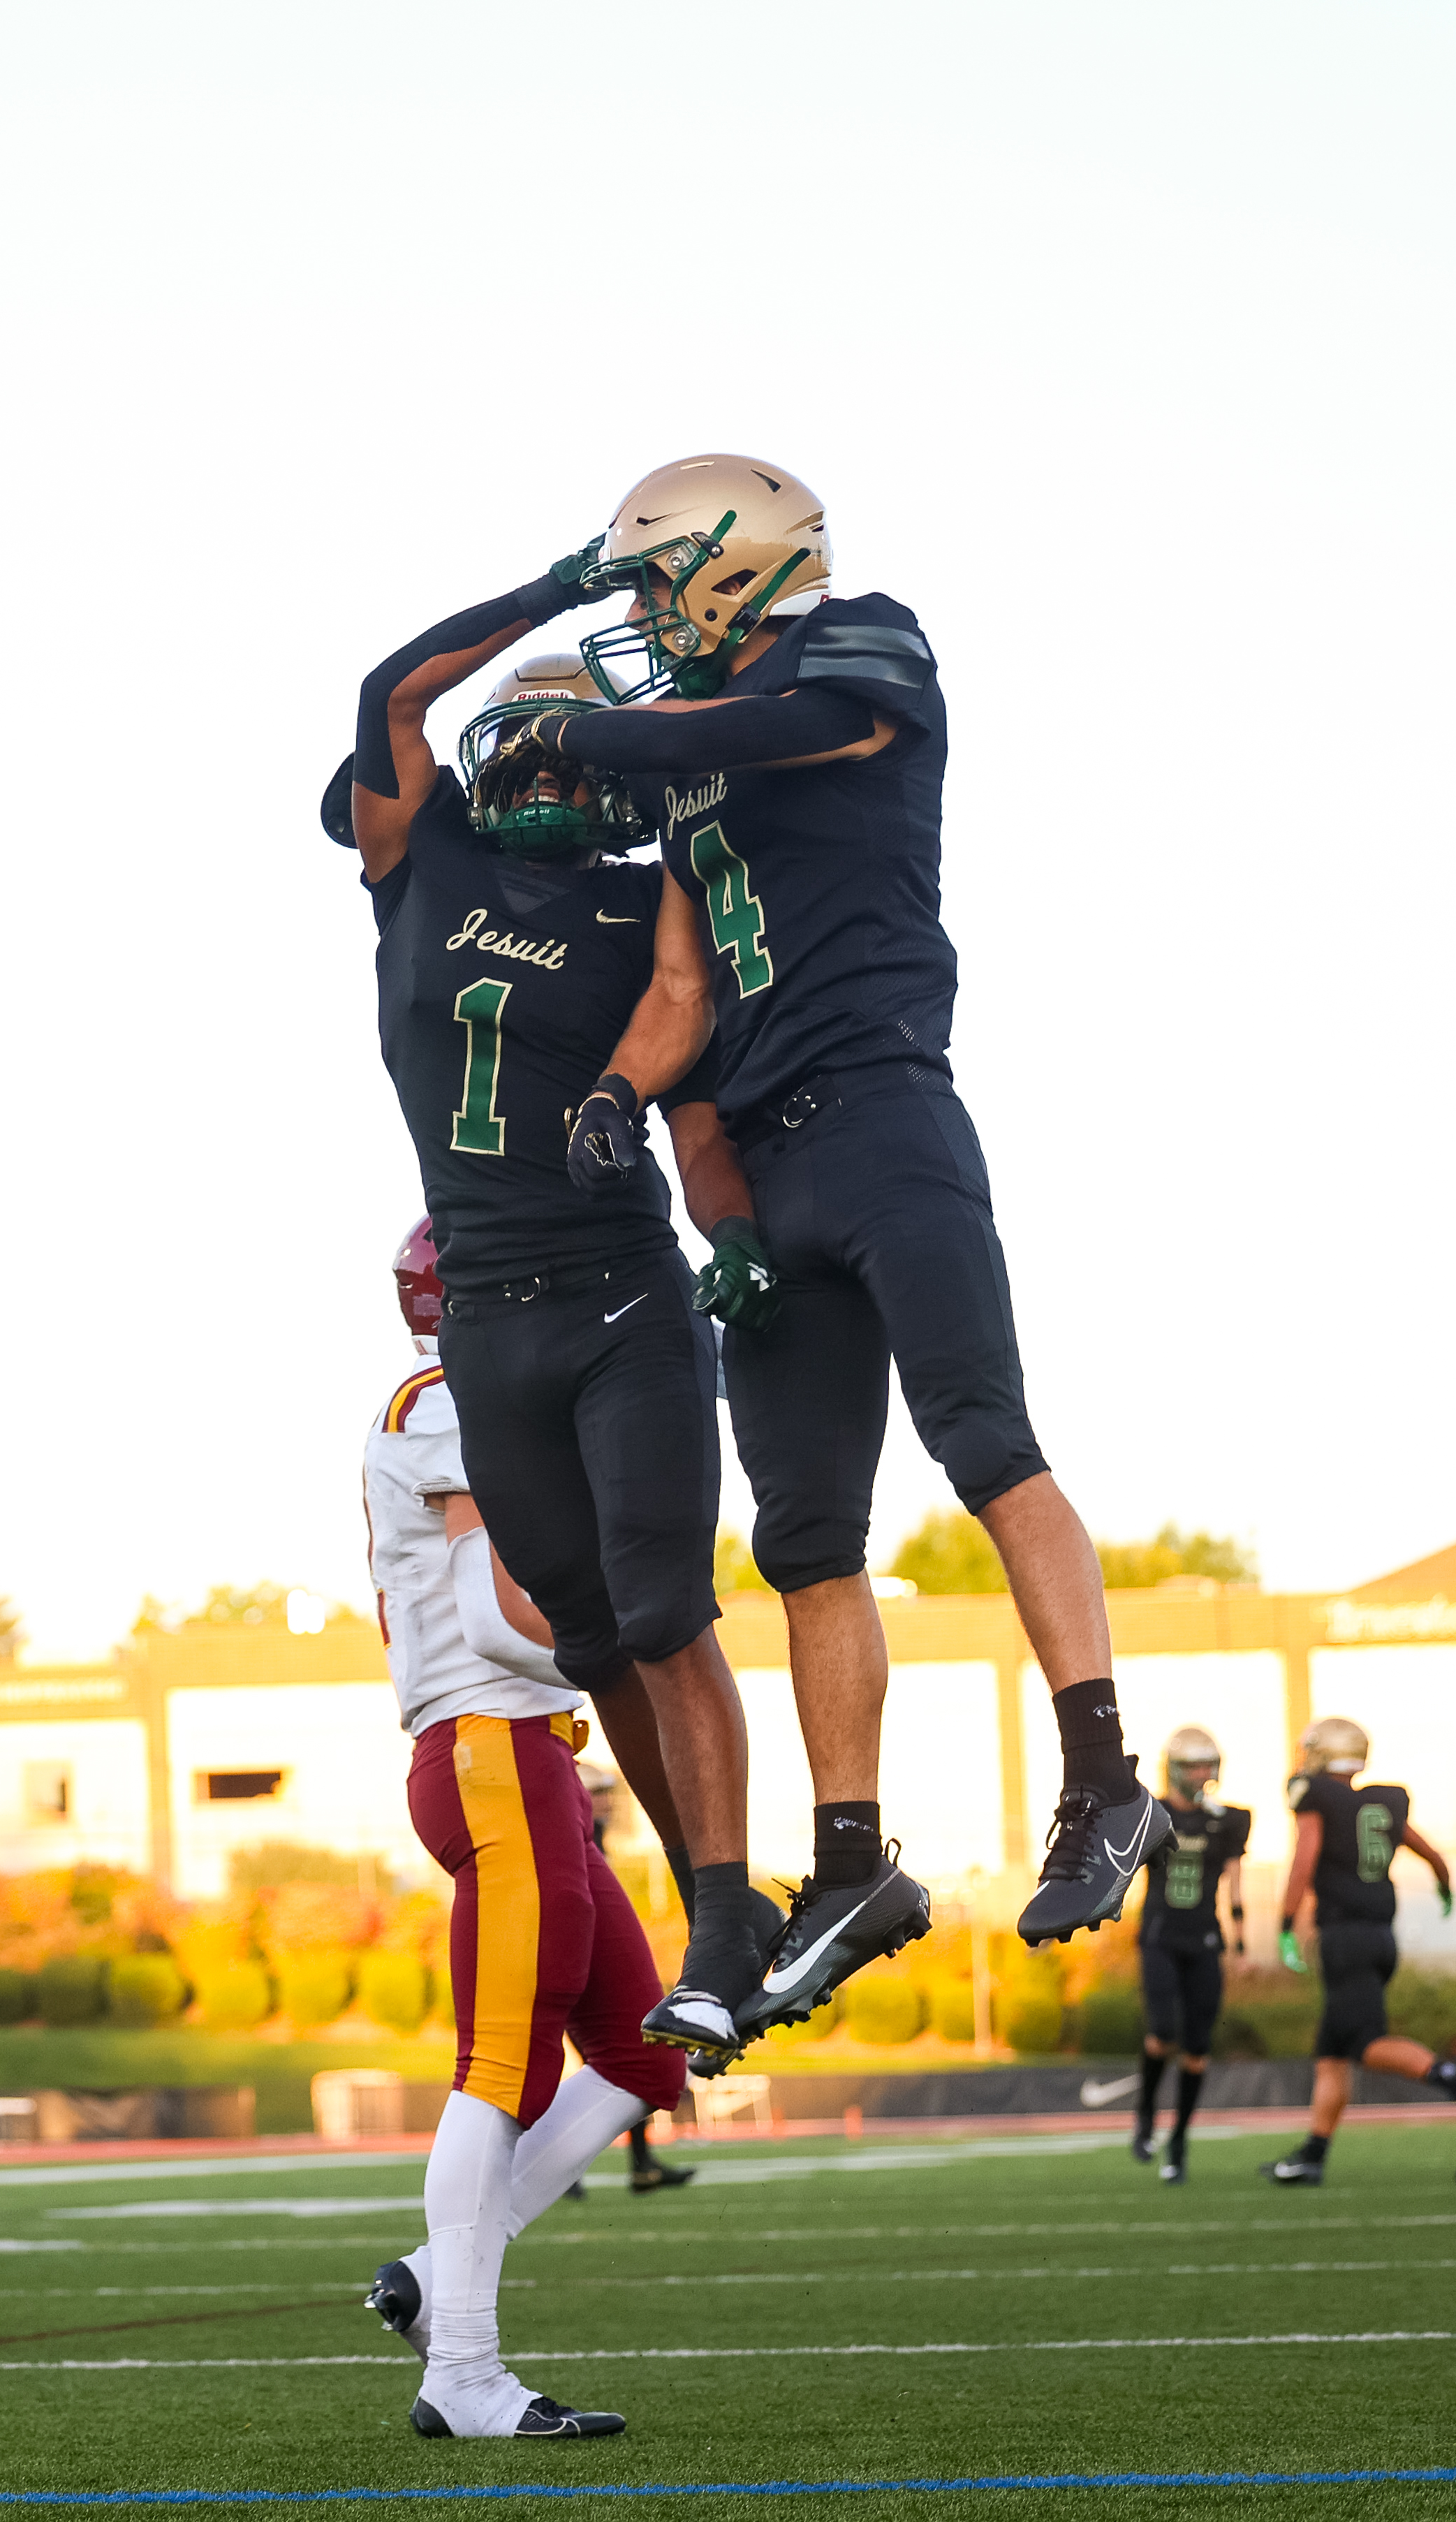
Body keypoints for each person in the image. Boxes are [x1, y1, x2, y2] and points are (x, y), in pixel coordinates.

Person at [541, 456, 1167, 1976]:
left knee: (983, 1438)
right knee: (802, 1533)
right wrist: (652, 1127)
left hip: (885, 1112)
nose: (636, 618)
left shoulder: (862, 644)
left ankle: (1100, 1775)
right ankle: (848, 1859)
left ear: (729, 566)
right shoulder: (679, 764)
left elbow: (787, 726)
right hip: (768, 1158)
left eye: (648, 582)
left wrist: (603, 725)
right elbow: (684, 989)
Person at [333, 607, 781, 2065]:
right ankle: (709, 1892)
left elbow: (692, 1083)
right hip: (485, 1312)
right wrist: (550, 591)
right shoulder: (418, 861)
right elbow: (389, 695)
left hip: (619, 1290)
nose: (548, 774)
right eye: (520, 742)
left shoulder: (648, 893)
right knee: (589, 1637)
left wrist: (743, 1247)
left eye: (573, 750)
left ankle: (723, 1915)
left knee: (662, 1609)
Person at [353, 1235, 682, 2439]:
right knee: (503, 2065)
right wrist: (643, 1647)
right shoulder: (447, 1401)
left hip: (529, 1755)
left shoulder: (474, 1396)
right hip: (488, 1747)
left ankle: (434, 2284)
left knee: (644, 2058)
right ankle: (464, 2370)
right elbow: (499, 1621)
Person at [1263, 1716, 1456, 2184]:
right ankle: (1313, 2154)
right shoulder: (1383, 1801)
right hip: (1381, 1937)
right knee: (1333, 2050)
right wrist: (1445, 1888)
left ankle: (1455, 2077)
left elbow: (1305, 1859)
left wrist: (1285, 1923)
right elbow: (1431, 1853)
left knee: (1365, 2042)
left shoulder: (1318, 1797)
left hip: (1346, 1937)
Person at [1129, 1728, 1250, 2185]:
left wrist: (1241, 1947)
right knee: (1162, 2034)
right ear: (1175, 1769)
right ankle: (1145, 2117)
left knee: (1198, 2048)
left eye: (1207, 1765)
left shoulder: (1228, 1820)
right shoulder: (1152, 1815)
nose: (1203, 1775)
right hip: (1161, 1934)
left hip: (1204, 1937)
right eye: (1194, 1766)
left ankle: (1178, 2140)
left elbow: (1236, 1884)